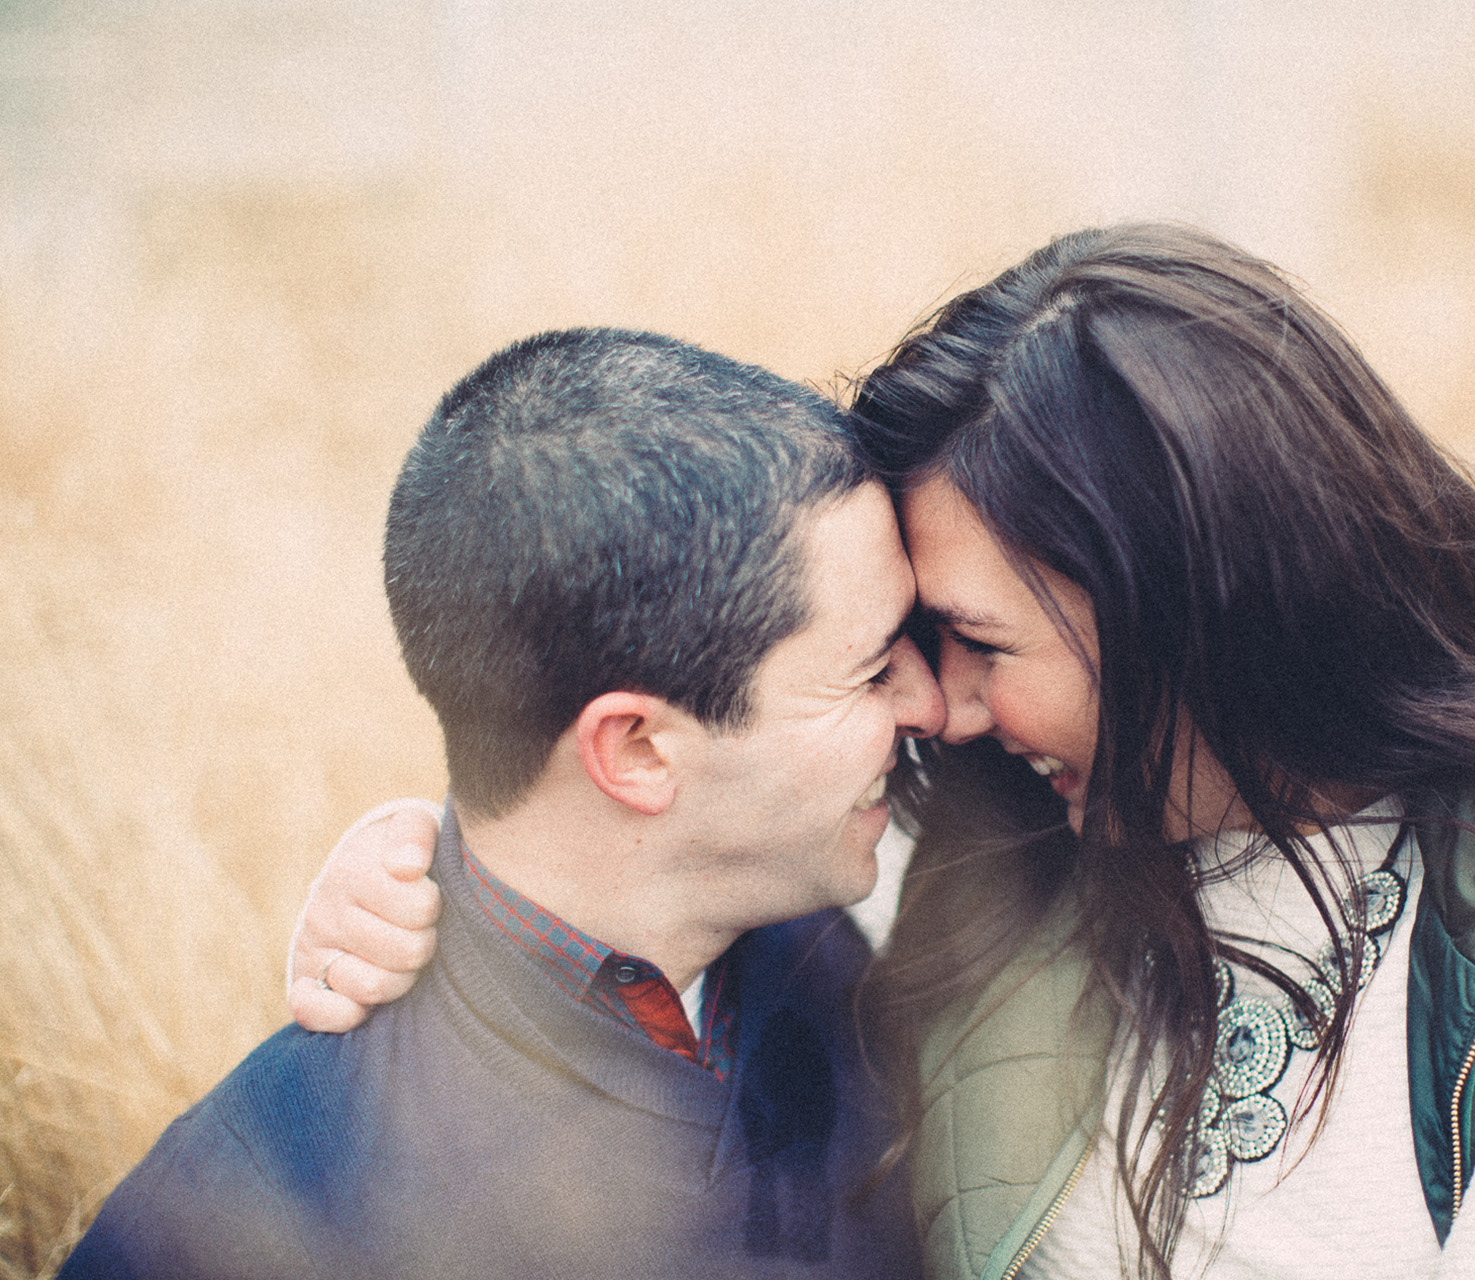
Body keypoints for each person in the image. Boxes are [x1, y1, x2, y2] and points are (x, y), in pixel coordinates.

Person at [292, 226, 1475, 1280]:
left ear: (1196, 611)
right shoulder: (997, 832)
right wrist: (421, 863)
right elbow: (655, 827)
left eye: (979, 646)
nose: (939, 712)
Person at [62, 328, 939, 1280]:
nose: (932, 705)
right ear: (636, 750)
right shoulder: (244, 1223)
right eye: (869, 672)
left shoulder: (824, 940)